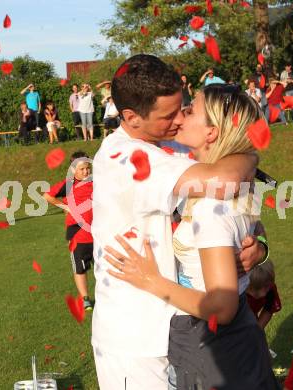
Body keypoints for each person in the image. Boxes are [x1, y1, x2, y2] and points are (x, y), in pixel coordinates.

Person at [91, 54, 269, 390]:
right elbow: (227, 178)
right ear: (131, 117)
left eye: (184, 107)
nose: (179, 119)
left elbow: (234, 208)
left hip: (184, 325)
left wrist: (257, 248)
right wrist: (251, 153)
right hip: (137, 336)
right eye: (168, 115)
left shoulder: (171, 142)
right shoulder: (125, 158)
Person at [43, 151, 94, 311]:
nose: (86, 172)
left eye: (87, 168)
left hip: (98, 233)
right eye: (82, 169)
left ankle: (106, 296)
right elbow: (47, 196)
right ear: (73, 169)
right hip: (77, 234)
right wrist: (65, 207)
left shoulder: (96, 182)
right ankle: (85, 298)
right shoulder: (68, 185)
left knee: (103, 267)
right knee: (80, 268)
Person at [246, 259, 282, 329]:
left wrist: (257, 330)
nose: (263, 293)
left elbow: (269, 309)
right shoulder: (237, 293)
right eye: (257, 288)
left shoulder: (270, 288)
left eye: (266, 286)